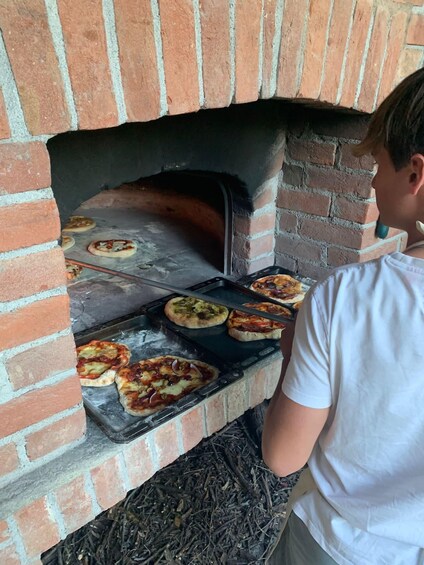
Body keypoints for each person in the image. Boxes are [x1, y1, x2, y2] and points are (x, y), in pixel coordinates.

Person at [262, 67, 424, 565]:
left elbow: (281, 458)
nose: (374, 179)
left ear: (416, 174)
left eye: (378, 164)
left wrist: (292, 357)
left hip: (339, 547)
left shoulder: (344, 296)